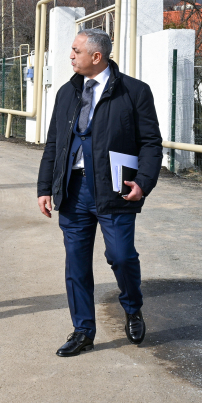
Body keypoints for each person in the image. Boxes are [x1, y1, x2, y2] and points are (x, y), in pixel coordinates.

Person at [36, 28, 162, 357]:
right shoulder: (66, 93)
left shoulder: (134, 92)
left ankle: (132, 308)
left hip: (114, 190)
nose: (70, 56)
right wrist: (44, 187)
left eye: (76, 50)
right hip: (73, 189)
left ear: (97, 56)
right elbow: (54, 143)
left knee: (121, 256)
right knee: (76, 265)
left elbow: (151, 143)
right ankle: (83, 330)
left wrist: (144, 182)